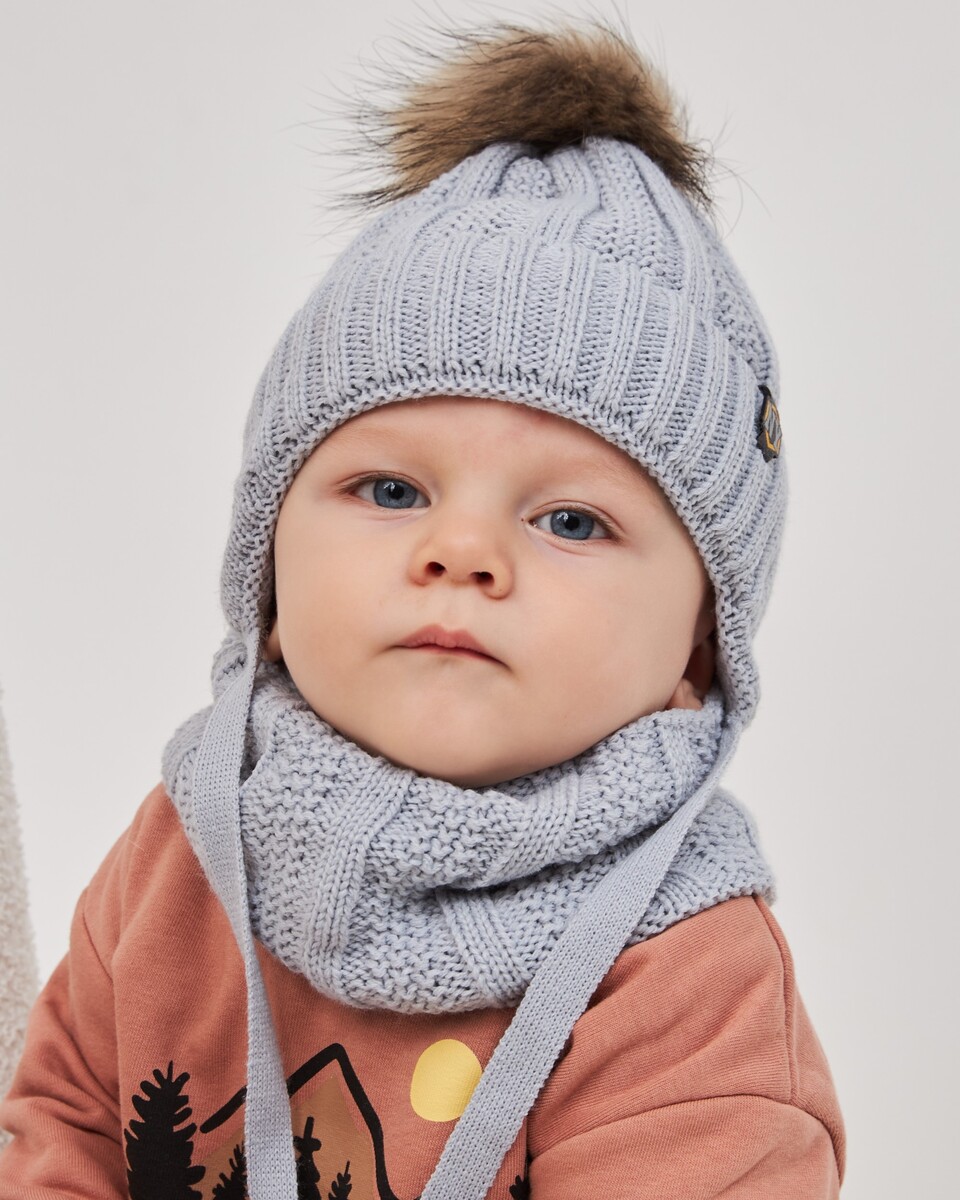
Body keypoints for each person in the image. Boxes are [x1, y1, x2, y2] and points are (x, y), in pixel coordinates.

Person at [0, 15, 845, 1199]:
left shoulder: (689, 974)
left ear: (697, 648)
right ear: (266, 577)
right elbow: (66, 1131)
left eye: (571, 521)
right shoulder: (186, 848)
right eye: (391, 491)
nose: (462, 553)